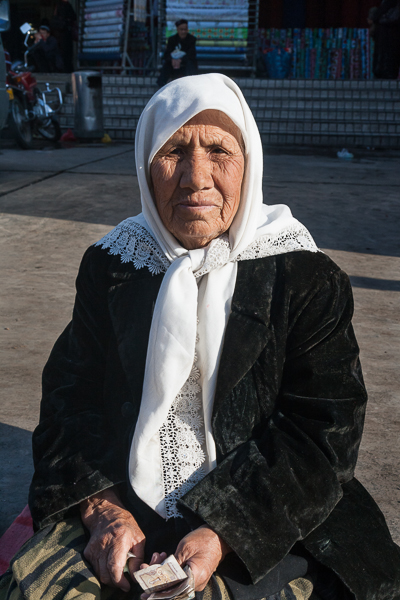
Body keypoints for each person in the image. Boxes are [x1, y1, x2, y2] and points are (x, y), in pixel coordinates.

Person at [1, 74, 400, 600]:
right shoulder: (113, 265)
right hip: (124, 494)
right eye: (173, 151)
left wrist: (225, 532)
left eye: (218, 150)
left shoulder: (305, 276)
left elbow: (322, 433)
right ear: (146, 165)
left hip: (267, 506)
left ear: (249, 162)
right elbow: (69, 400)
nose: (195, 178)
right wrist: (103, 510)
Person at [157, 19, 197, 88]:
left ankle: (191, 85)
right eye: (181, 29)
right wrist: (172, 60)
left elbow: (191, 54)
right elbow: (166, 54)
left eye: (185, 29)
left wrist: (180, 60)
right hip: (173, 64)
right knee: (166, 65)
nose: (183, 32)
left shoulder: (191, 39)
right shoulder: (172, 39)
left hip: (185, 64)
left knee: (190, 65)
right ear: (177, 29)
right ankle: (161, 85)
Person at [370, 0, 400, 78]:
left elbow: (380, 13)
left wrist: (375, 17)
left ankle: (384, 73)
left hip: (389, 30)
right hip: (389, 30)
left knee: (387, 55)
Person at [51, 0, 77, 73]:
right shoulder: (64, 6)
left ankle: (65, 70)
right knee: (67, 55)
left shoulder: (59, 6)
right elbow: (73, 17)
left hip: (62, 35)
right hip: (65, 34)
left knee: (64, 55)